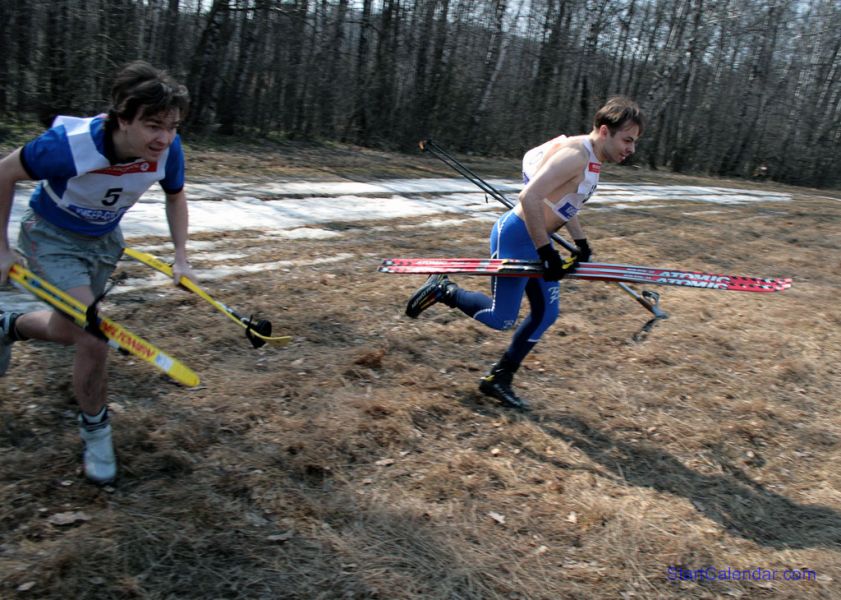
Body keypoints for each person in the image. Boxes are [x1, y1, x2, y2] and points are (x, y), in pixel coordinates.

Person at [0, 61, 195, 484]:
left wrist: (181, 256)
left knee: (69, 326)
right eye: (152, 125)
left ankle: (8, 325)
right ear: (122, 118)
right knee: (93, 336)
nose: (163, 138)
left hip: (105, 242)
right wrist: (1, 248)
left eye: (173, 126)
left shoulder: (168, 149)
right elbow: (4, 173)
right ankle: (96, 431)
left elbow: (175, 197)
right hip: (50, 238)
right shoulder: (67, 145)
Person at [405, 96, 644, 411]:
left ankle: (498, 380)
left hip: (536, 239)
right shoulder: (575, 155)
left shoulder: (591, 158)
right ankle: (444, 290)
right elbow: (529, 197)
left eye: (634, 142)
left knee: (546, 314)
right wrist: (546, 251)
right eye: (627, 140)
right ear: (604, 131)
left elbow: (564, 200)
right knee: (501, 318)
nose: (631, 149)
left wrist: (581, 241)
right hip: (517, 237)